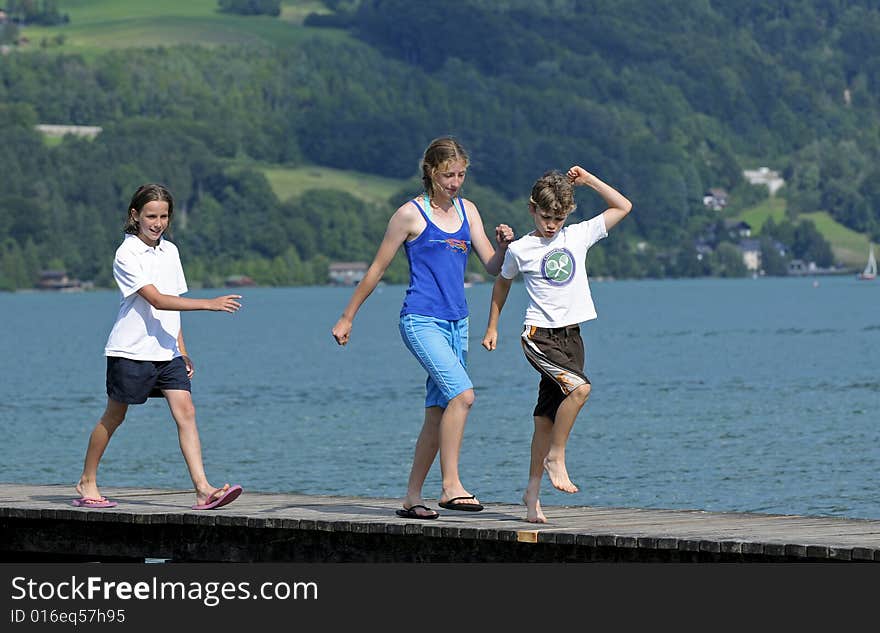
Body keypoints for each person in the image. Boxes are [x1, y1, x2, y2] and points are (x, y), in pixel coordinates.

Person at [331, 137, 514, 519]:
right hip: (420, 319)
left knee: (439, 409)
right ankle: (451, 486)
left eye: (461, 174)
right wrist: (348, 316)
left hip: (457, 323)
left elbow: (493, 267)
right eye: (449, 175)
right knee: (463, 396)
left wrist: (504, 247)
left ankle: (412, 497)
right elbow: (377, 269)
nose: (456, 182)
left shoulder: (469, 210)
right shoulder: (409, 215)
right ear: (431, 172)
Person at [73, 183, 244, 511]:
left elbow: (175, 304)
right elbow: (155, 299)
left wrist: (182, 349)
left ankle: (203, 490)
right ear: (135, 215)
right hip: (131, 351)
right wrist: (210, 304)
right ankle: (87, 480)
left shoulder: (171, 252)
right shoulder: (126, 254)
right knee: (115, 416)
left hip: (167, 353)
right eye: (151, 215)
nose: (158, 222)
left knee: (187, 412)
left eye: (164, 216)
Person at [481, 166, 632, 523]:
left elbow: (622, 206)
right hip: (538, 337)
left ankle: (531, 494)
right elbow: (502, 284)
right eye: (546, 217)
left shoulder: (577, 236)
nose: (552, 225)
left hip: (572, 337)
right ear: (532, 209)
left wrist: (590, 181)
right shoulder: (522, 249)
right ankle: (557, 457)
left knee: (545, 420)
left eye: (559, 218)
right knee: (580, 389)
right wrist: (492, 327)